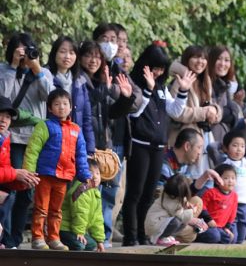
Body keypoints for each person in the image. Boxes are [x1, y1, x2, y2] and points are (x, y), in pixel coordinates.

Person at [122, 43, 195, 246]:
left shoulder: (162, 88)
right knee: (135, 193)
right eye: (154, 67)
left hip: (157, 148)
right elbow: (134, 113)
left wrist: (183, 91)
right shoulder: (135, 84)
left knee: (149, 194)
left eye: (161, 68)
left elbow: (175, 111)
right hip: (140, 145)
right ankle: (130, 235)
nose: (158, 72)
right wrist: (147, 90)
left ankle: (143, 234)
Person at [77, 40, 136, 246]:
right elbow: (81, 108)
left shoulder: (102, 82)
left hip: (104, 144)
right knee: (85, 191)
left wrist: (127, 98)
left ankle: (103, 236)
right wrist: (106, 90)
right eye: (88, 55)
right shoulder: (80, 81)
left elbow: (113, 112)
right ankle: (81, 235)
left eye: (97, 56)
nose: (93, 60)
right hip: (85, 144)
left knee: (107, 193)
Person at [0, 32, 54, 249]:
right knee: (10, 189)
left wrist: (36, 69)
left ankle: (15, 236)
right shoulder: (4, 71)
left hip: (35, 140)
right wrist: (14, 66)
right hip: (11, 138)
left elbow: (50, 97)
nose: (24, 55)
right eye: (19, 51)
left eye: (27, 50)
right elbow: (4, 99)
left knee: (27, 190)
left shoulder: (43, 72)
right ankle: (8, 238)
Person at [24, 88, 92, 250]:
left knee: (56, 209)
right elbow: (33, 150)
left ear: (70, 107)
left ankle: (54, 238)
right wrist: (29, 172)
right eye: (56, 104)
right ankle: (38, 237)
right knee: (41, 207)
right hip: (45, 175)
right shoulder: (44, 126)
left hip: (64, 176)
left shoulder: (76, 129)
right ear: (49, 108)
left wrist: (85, 174)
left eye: (65, 104)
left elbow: (81, 154)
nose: (61, 107)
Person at [168, 45, 222, 178]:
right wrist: (204, 112)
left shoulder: (205, 80)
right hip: (185, 139)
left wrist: (215, 111)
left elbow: (213, 105)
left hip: (204, 137)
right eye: (196, 57)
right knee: (183, 180)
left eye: (203, 58)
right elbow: (176, 112)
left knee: (203, 179)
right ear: (187, 59)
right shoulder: (179, 81)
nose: (200, 61)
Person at [0, 96, 41, 248]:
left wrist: (22, 182)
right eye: (0, 115)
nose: (3, 120)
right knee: (5, 197)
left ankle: (5, 240)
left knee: (8, 194)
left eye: (7, 117)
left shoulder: (4, 137)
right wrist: (15, 173)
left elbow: (4, 173)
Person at [47, 36, 96, 156]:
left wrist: (89, 149)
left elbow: (86, 118)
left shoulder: (80, 81)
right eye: (63, 52)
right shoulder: (44, 76)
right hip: (49, 141)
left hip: (74, 143)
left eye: (71, 52)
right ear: (54, 53)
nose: (67, 56)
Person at [59, 159, 105, 251]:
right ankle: (59, 240)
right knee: (80, 246)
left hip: (76, 229)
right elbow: (80, 212)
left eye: (97, 173)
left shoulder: (95, 192)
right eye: (91, 173)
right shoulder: (82, 189)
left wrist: (99, 240)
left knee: (92, 245)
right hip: (65, 228)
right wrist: (79, 232)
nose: (95, 177)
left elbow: (98, 219)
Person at [145, 174, 196, 247]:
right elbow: (181, 216)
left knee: (182, 223)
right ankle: (161, 238)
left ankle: (167, 236)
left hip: (160, 223)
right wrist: (192, 211)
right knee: (176, 221)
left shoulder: (170, 195)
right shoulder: (168, 199)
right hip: (154, 226)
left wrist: (186, 205)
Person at [207, 46, 245, 143]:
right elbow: (209, 113)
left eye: (227, 60)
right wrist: (225, 113)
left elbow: (234, 113)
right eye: (218, 59)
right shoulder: (204, 83)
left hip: (222, 137)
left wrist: (223, 113)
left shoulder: (224, 84)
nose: (223, 64)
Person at [221, 131, 246, 243]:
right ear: (226, 148)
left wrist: (244, 145)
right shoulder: (225, 165)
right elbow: (211, 147)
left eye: (242, 146)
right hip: (230, 202)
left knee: (243, 223)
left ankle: (240, 242)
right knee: (231, 223)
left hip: (245, 202)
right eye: (235, 145)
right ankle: (232, 241)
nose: (239, 149)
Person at [197, 163, 238, 244]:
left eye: (233, 178)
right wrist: (209, 219)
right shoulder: (211, 192)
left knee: (232, 239)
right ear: (217, 180)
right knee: (214, 236)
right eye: (226, 178)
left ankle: (220, 236)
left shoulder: (234, 195)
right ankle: (197, 235)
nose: (230, 181)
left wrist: (227, 228)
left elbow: (232, 214)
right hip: (206, 225)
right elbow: (202, 207)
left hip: (221, 227)